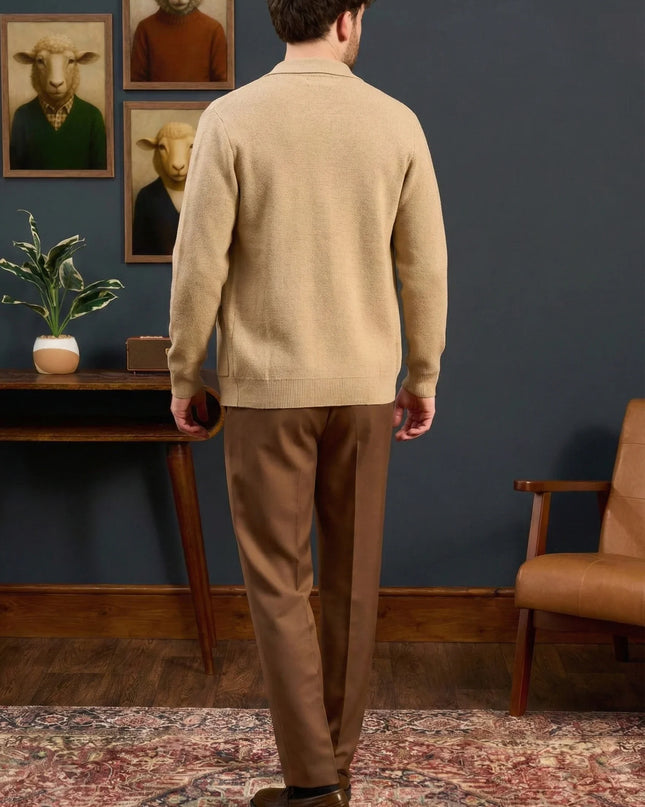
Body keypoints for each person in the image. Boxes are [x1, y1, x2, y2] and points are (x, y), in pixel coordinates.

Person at [168, 2, 447, 805]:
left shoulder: (230, 118)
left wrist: (186, 374)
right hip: (363, 389)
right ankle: (335, 771)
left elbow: (197, 268)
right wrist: (420, 376)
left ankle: (312, 781)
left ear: (277, 19)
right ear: (350, 19)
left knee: (279, 585)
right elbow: (423, 269)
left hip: (263, 393)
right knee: (354, 581)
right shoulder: (396, 123)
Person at [130, 0, 227, 83]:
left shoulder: (213, 29)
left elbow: (222, 85)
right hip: (156, 103)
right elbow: (136, 83)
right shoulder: (145, 29)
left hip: (203, 103)